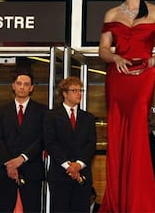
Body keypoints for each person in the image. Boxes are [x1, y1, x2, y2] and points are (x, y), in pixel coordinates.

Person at [98, 0, 155, 212]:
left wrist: (151, 61)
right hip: (118, 77)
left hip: (143, 76)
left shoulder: (154, 12)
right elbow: (103, 50)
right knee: (118, 132)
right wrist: (115, 58)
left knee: (138, 132)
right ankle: (118, 199)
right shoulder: (110, 14)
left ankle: (139, 202)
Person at [43, 76, 96, 213]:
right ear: (65, 93)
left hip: (82, 174)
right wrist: (69, 166)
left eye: (80, 90)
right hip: (60, 174)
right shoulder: (51, 116)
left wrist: (78, 164)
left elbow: (91, 144)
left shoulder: (88, 118)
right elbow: (50, 143)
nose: (79, 94)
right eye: (74, 90)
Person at [0, 71, 47, 212]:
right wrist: (10, 164)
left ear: (31, 88)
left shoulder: (42, 111)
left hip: (31, 169)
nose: (22, 87)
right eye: (19, 84)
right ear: (13, 86)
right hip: (5, 170)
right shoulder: (1, 110)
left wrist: (22, 158)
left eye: (26, 84)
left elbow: (43, 139)